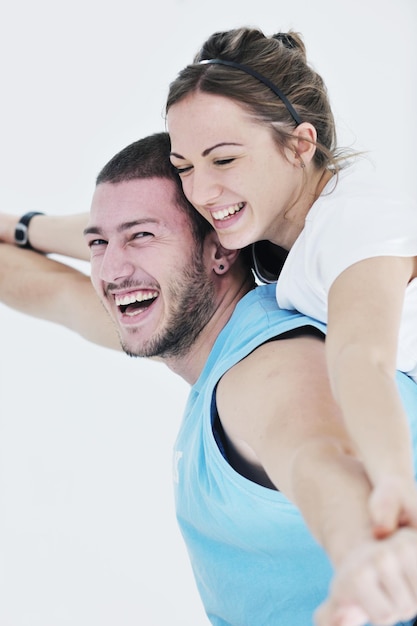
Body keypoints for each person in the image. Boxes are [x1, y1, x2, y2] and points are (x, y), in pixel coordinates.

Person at [2, 132, 417, 626]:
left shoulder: (267, 367)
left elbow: (319, 458)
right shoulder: (203, 335)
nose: (111, 268)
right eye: (97, 243)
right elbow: (49, 291)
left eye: (142, 236)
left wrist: (360, 546)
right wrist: (25, 226)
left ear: (220, 250)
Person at [165, 26, 417, 541]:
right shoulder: (278, 233)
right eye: (184, 167)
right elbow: (133, 238)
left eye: (224, 159)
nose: (201, 190)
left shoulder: (351, 223)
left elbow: (360, 358)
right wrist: (23, 226)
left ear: (301, 144)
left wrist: (392, 484)